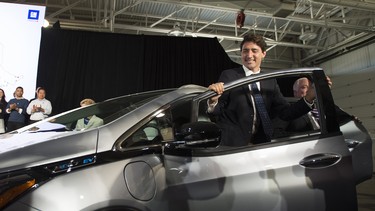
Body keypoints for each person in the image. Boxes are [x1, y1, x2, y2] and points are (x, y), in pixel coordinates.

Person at [207, 34, 315, 146]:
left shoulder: (270, 80)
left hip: (261, 145)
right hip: (233, 146)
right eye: (245, 51)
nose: (249, 55)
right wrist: (213, 101)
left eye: (254, 51)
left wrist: (309, 97)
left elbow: (285, 112)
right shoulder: (229, 76)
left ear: (263, 54)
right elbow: (217, 112)